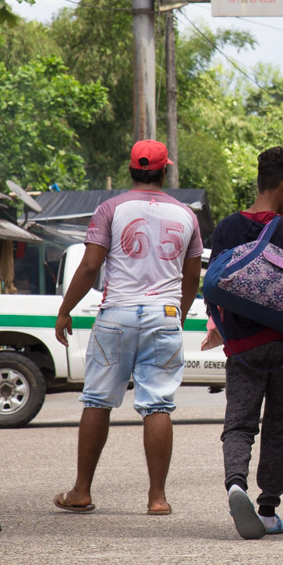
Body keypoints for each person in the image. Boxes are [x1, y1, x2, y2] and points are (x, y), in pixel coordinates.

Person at [52, 140, 202, 517]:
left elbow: (89, 267)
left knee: (97, 400)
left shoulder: (110, 209)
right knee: (158, 404)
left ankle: (81, 491)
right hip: (163, 314)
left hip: (116, 313)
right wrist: (178, 315)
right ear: (164, 170)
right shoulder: (186, 215)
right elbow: (191, 276)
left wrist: (65, 309)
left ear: (131, 169)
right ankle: (157, 498)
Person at [203, 146, 283, 539]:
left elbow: (214, 289)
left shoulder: (226, 228)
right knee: (278, 427)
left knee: (238, 422)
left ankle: (236, 483)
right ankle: (269, 509)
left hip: (241, 347)